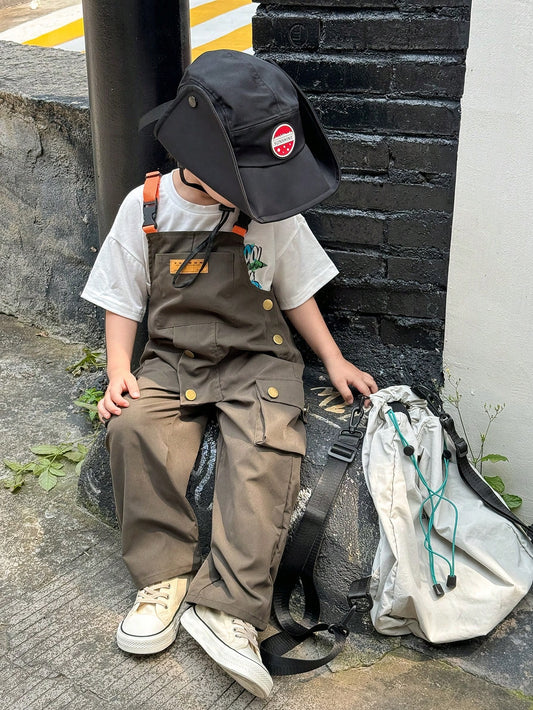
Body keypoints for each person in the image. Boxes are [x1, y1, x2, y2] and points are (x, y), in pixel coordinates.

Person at [82, 49, 377, 699]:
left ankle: (230, 607)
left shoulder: (270, 214)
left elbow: (296, 290)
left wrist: (332, 359)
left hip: (255, 361)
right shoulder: (146, 207)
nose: (258, 197)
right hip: (172, 359)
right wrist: (119, 371)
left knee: (268, 449)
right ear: (198, 157)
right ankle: (163, 577)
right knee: (135, 431)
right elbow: (121, 297)